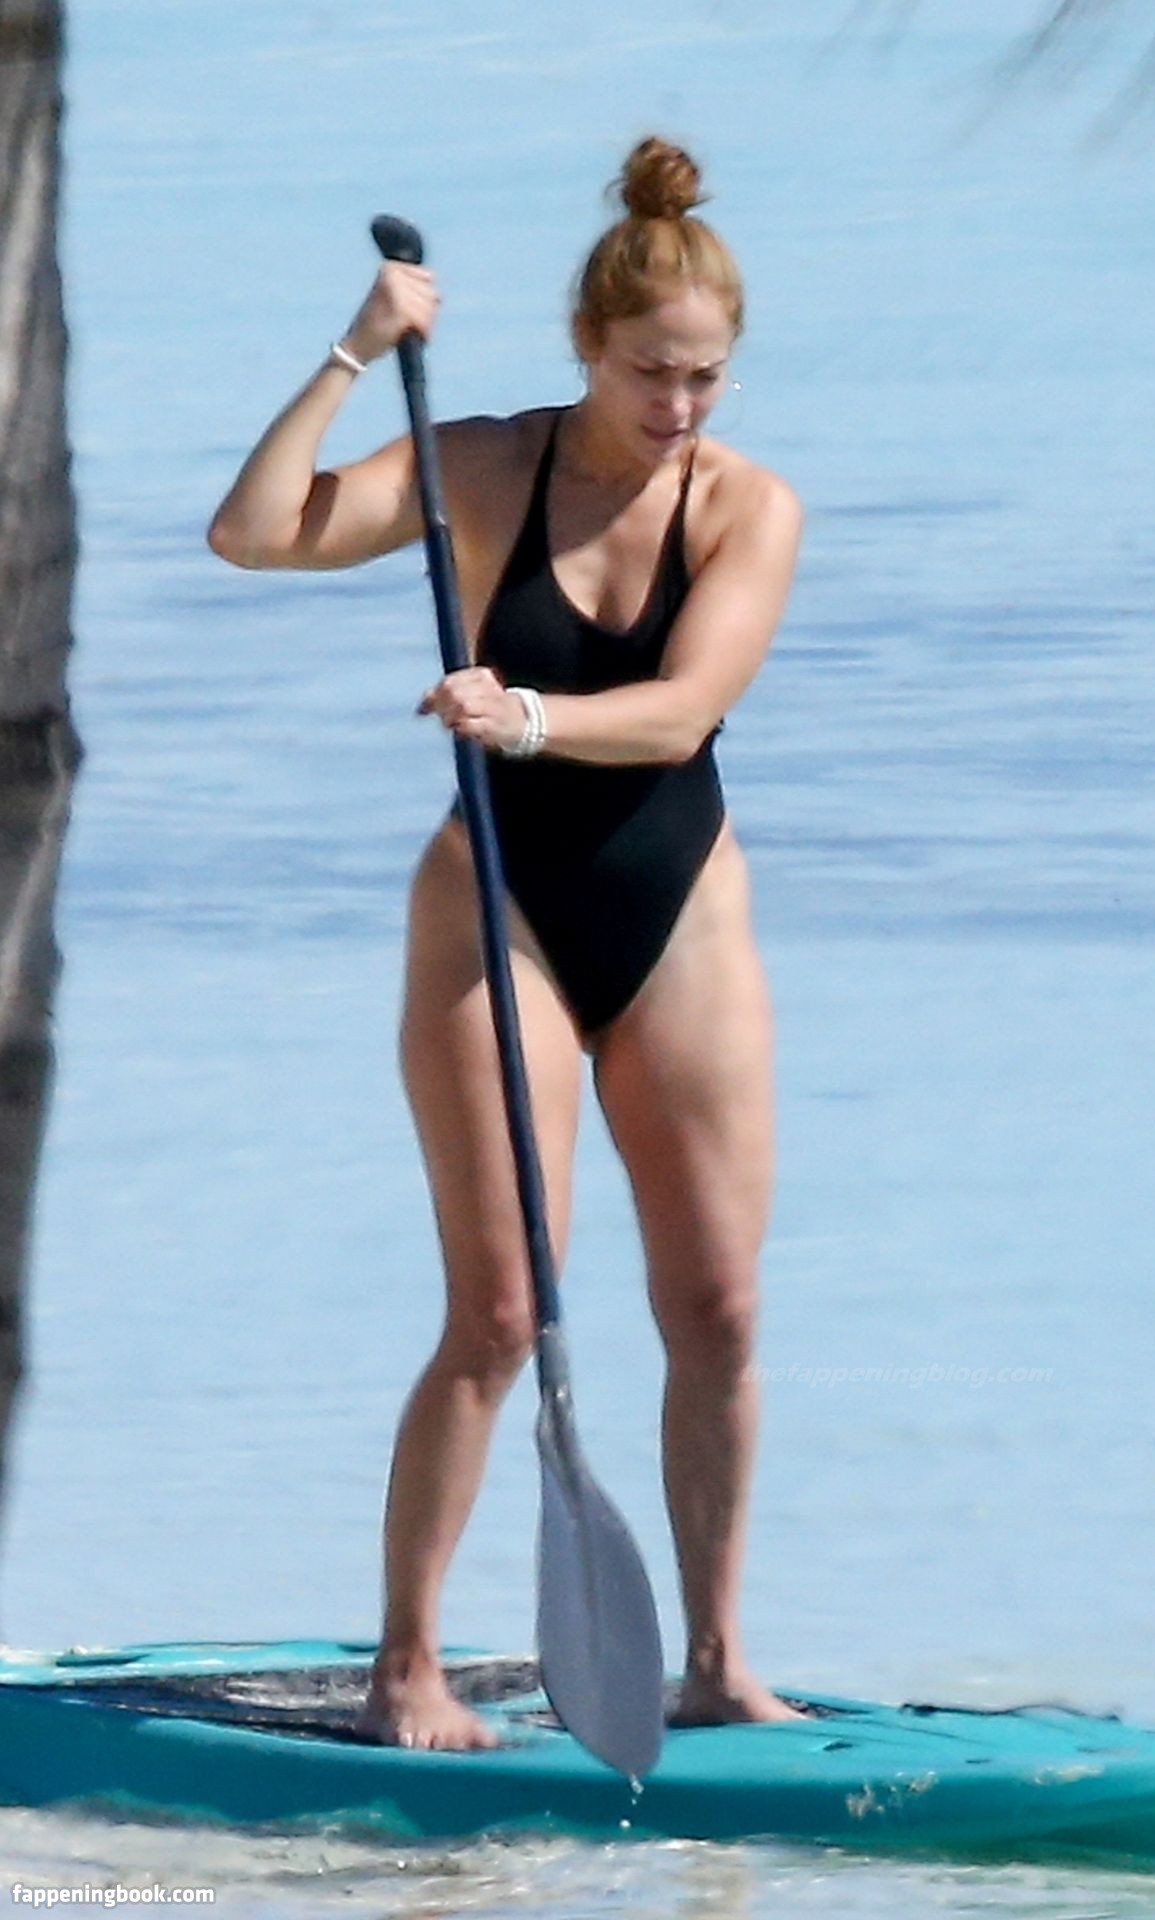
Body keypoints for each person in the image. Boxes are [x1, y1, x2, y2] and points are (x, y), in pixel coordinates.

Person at [208, 135, 803, 1751]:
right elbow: (251, 535)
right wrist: (354, 354)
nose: (677, 405)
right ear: (587, 346)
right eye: (649, 372)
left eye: (705, 378)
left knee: (720, 1308)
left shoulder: (750, 508)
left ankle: (715, 1661)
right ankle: (407, 1668)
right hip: (499, 912)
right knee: (499, 1313)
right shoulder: (480, 468)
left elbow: (681, 711)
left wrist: (522, 712)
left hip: (677, 912)